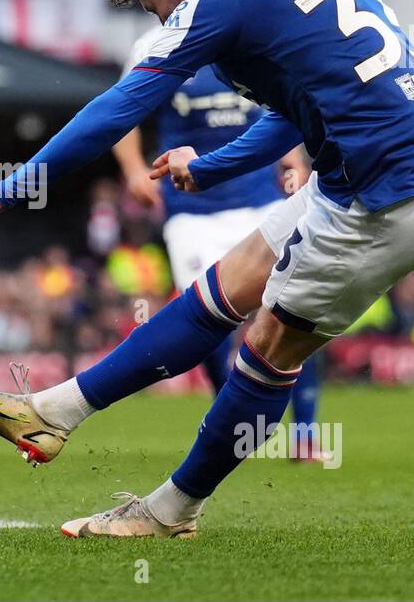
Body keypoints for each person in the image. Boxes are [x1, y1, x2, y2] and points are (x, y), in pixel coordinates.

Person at [0, 0, 414, 538]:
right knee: (225, 286)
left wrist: (13, 188)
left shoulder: (214, 3)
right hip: (382, 169)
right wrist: (216, 165)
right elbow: (295, 107)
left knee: (268, 345)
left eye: (154, 9)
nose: (161, 22)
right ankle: (52, 412)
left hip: (388, 191)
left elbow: (119, 107)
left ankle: (170, 511)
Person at [111, 27, 325, 459]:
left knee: (295, 308)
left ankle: (304, 433)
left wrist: (294, 161)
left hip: (259, 202)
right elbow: (121, 114)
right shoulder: (157, 44)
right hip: (193, 210)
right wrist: (134, 170)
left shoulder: (247, 34)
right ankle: (230, 421)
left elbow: (283, 106)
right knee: (206, 320)